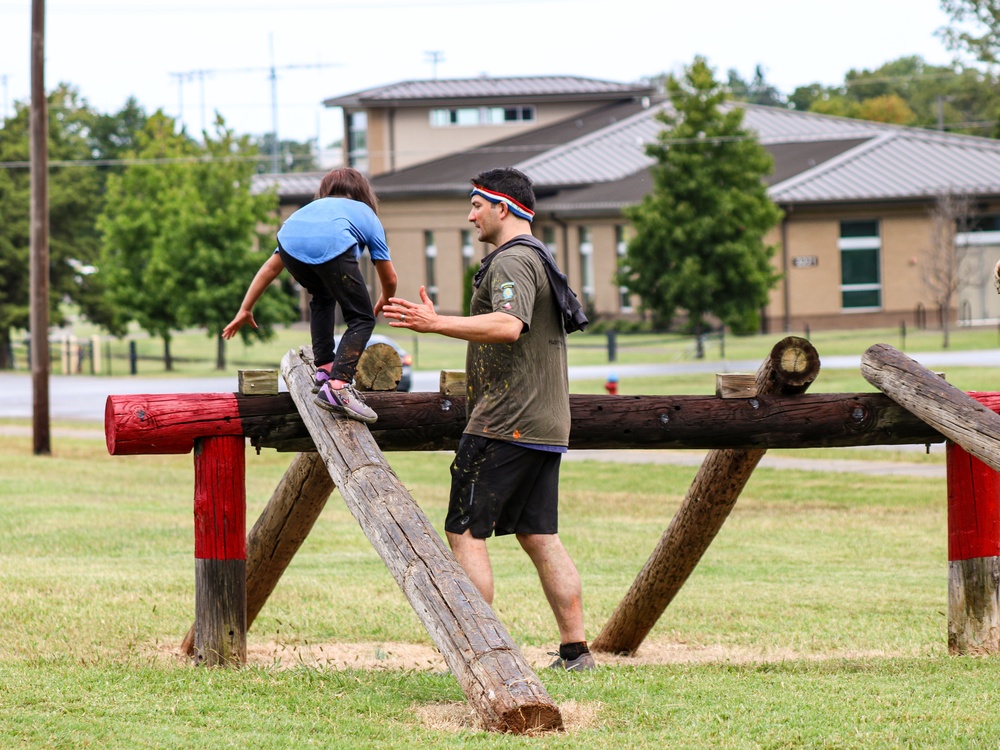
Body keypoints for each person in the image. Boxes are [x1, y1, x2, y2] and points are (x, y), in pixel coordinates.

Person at [384, 167, 595, 671]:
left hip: (505, 423)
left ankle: (484, 655)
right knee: (539, 535)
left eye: (477, 204)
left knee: (465, 532)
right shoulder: (540, 257)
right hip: (545, 426)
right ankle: (575, 651)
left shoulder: (513, 262)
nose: (470, 214)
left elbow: (507, 324)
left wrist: (435, 324)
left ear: (504, 208)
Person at [223, 167, 397, 424]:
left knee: (322, 297)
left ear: (324, 192)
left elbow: (270, 267)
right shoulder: (365, 213)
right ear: (363, 193)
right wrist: (385, 297)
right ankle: (337, 387)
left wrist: (245, 308)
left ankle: (324, 371)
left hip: (289, 243)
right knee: (361, 319)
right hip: (332, 245)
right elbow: (389, 276)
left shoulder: (309, 211)